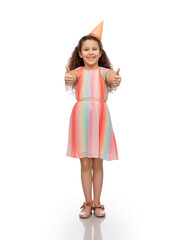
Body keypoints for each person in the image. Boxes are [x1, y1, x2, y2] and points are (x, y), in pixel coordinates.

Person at [64, 21, 121, 218]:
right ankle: (87, 202)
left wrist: (115, 79)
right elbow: (70, 76)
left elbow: (112, 77)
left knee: (98, 162)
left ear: (100, 52)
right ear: (79, 53)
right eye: (86, 49)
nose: (90, 52)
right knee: (85, 162)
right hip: (81, 117)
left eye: (94, 49)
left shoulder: (104, 73)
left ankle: (97, 202)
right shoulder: (78, 72)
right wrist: (68, 77)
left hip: (100, 117)